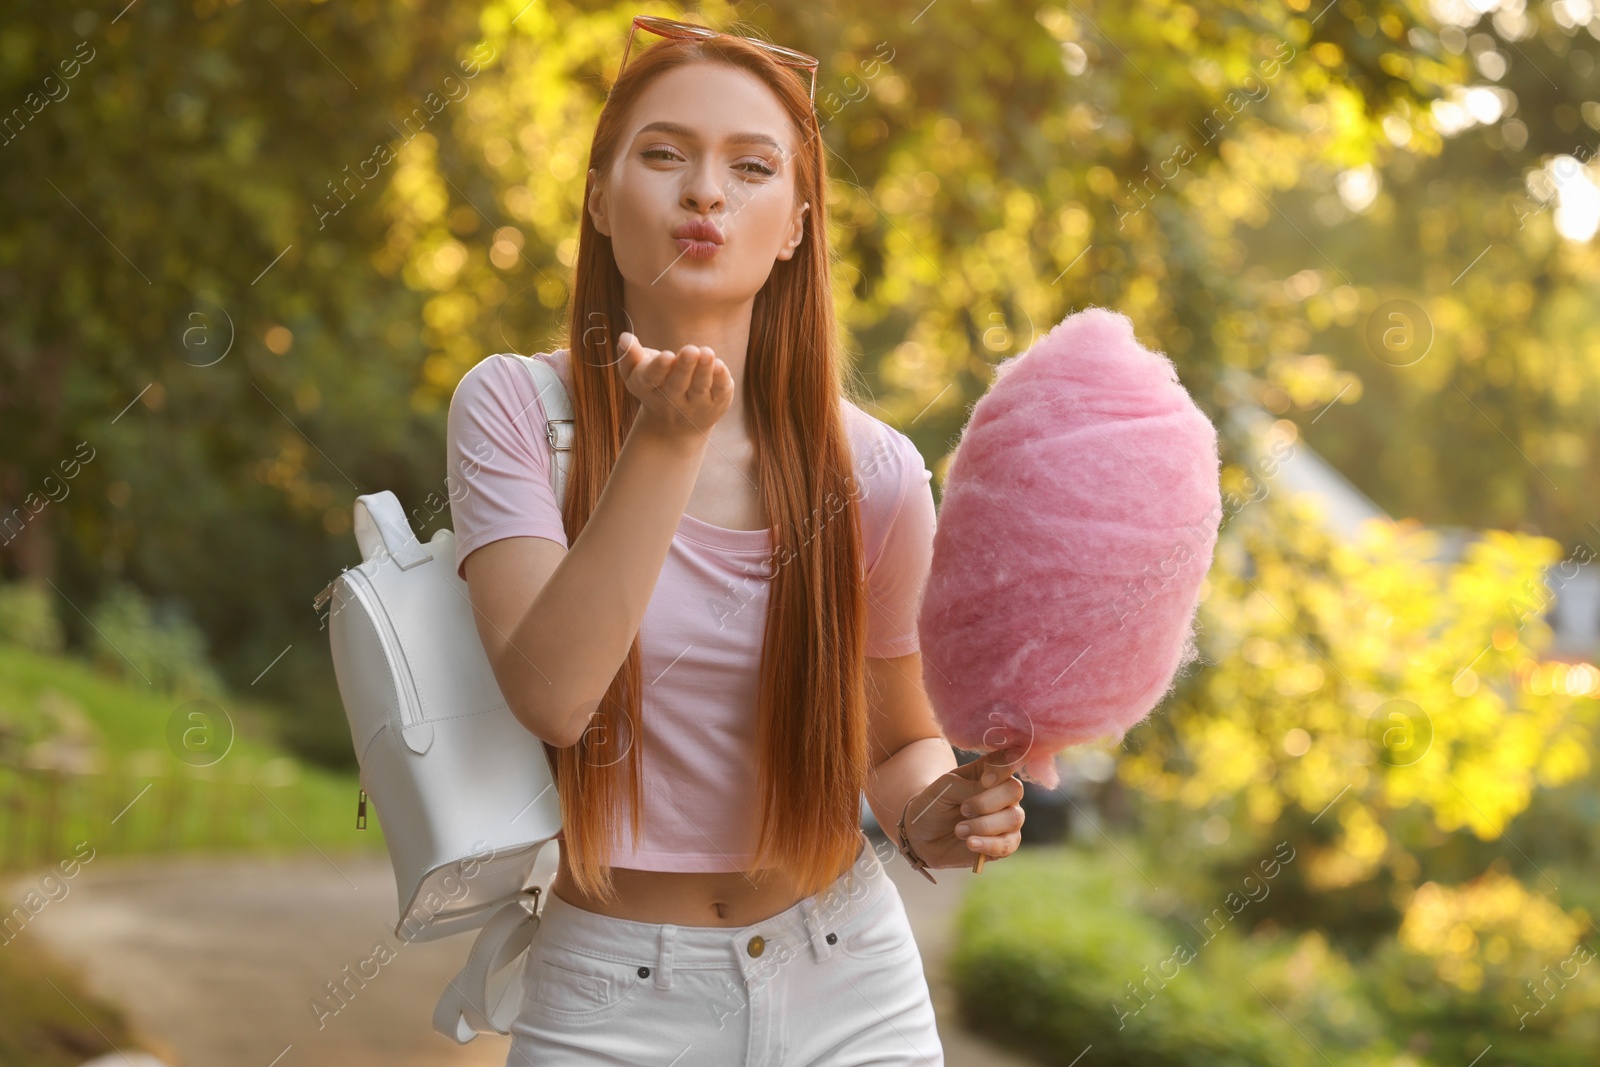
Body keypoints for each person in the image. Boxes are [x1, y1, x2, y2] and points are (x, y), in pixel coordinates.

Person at [445, 16, 1025, 1066]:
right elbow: (552, 694)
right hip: (610, 997)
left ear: (796, 225)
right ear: (597, 196)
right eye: (663, 154)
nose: (705, 191)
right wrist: (665, 443)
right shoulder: (513, 410)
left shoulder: (877, 471)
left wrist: (934, 811)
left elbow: (895, 740)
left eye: (751, 167)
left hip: (848, 978)